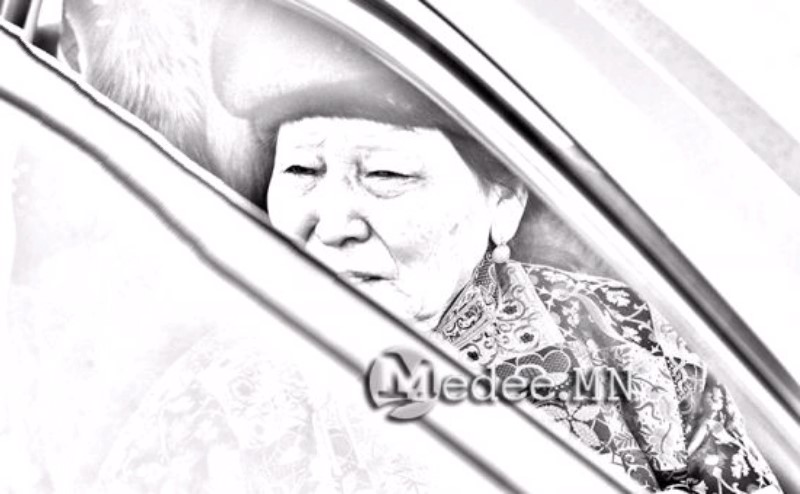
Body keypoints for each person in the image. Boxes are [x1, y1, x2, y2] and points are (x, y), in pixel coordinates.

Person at [63, 0, 782, 492]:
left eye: (384, 175)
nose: (330, 222)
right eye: (302, 171)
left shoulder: (627, 338)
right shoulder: (216, 395)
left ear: (504, 200)